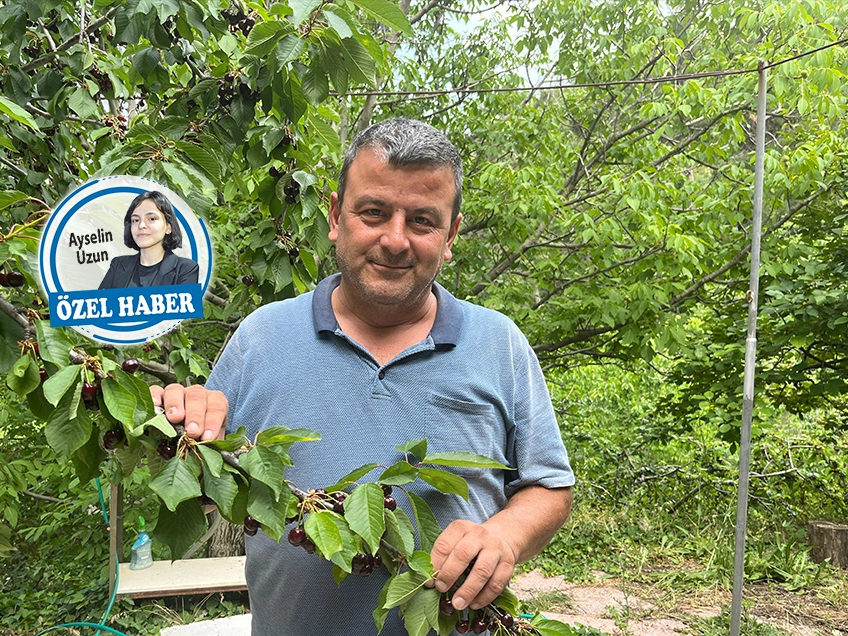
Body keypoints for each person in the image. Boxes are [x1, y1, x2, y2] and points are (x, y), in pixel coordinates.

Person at [150, 118, 574, 635]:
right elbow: (205, 480)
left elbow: (549, 486)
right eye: (373, 212)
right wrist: (177, 426)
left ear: (451, 235)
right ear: (334, 216)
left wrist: (503, 537)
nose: (395, 241)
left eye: (422, 221)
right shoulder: (260, 336)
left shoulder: (498, 343)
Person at [98, 190, 200, 289]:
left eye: (151, 219)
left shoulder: (185, 269)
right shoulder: (118, 265)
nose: (141, 225)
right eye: (136, 220)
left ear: (168, 227)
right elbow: (101, 303)